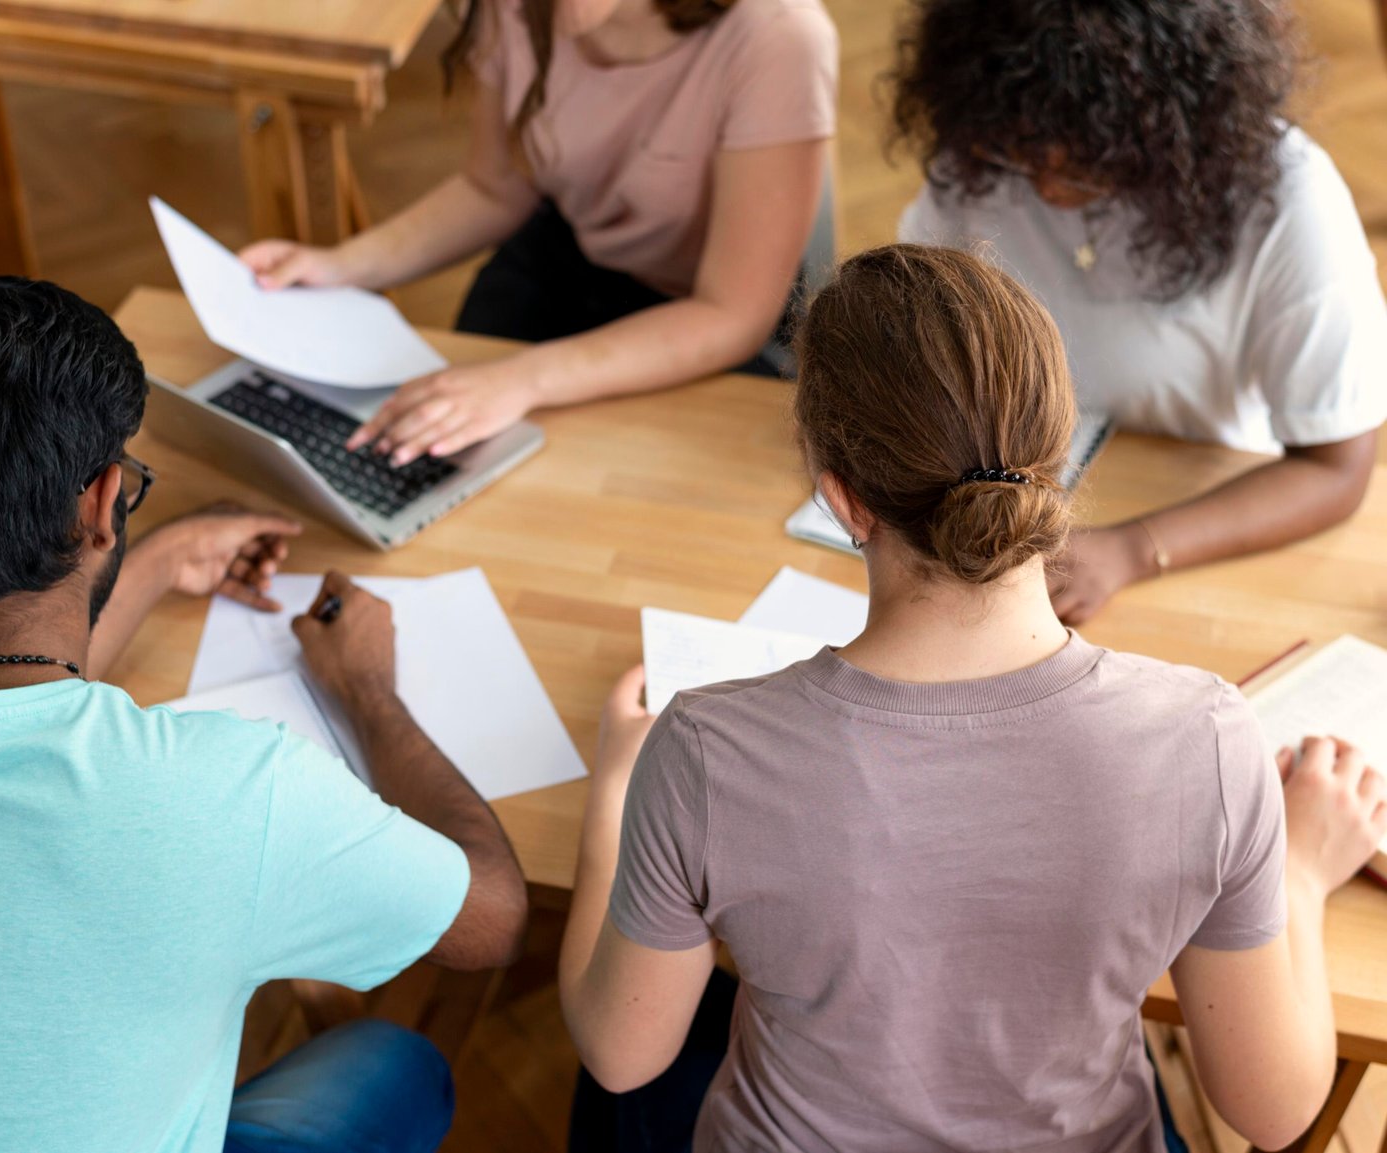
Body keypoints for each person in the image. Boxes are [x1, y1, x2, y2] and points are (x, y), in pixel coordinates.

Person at [558, 245, 1387, 1152]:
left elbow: (620, 1051)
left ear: (841, 498)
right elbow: (1274, 1110)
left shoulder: (701, 752)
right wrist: (1300, 876)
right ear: (1058, 457)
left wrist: (613, 794)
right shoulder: (1207, 739)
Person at [0, 277, 528, 1153]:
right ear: (103, 502)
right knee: (395, 1062)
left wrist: (166, 554)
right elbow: (491, 918)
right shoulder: (236, 795)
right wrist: (368, 688)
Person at [888, 0, 1387, 624]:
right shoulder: (983, 160)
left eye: (1085, 159)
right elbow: (916, 351)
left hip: (1198, 532)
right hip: (1011, 520)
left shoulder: (1287, 201)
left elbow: (1335, 469)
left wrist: (1131, 548)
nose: (1046, 185)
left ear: (1169, 121)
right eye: (1026, 151)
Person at [238, 0, 837, 466]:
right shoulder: (515, 9)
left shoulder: (778, 37)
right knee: (447, 441)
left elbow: (731, 313)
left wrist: (524, 379)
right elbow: (495, 188)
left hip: (709, 315)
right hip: (566, 257)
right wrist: (342, 264)